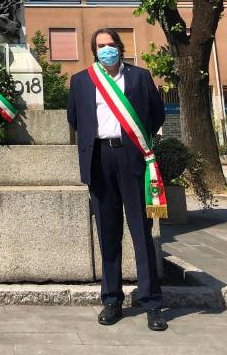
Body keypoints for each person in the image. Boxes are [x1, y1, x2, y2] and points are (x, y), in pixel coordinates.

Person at [67, 28, 167, 332]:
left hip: (132, 158)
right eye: (100, 46)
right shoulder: (81, 81)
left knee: (141, 233)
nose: (106, 49)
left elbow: (157, 114)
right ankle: (112, 299)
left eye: (111, 44)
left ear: (120, 48)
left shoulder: (139, 76)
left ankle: (151, 302)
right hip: (99, 160)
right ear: (94, 50)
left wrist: (136, 143)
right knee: (108, 234)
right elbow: (75, 119)